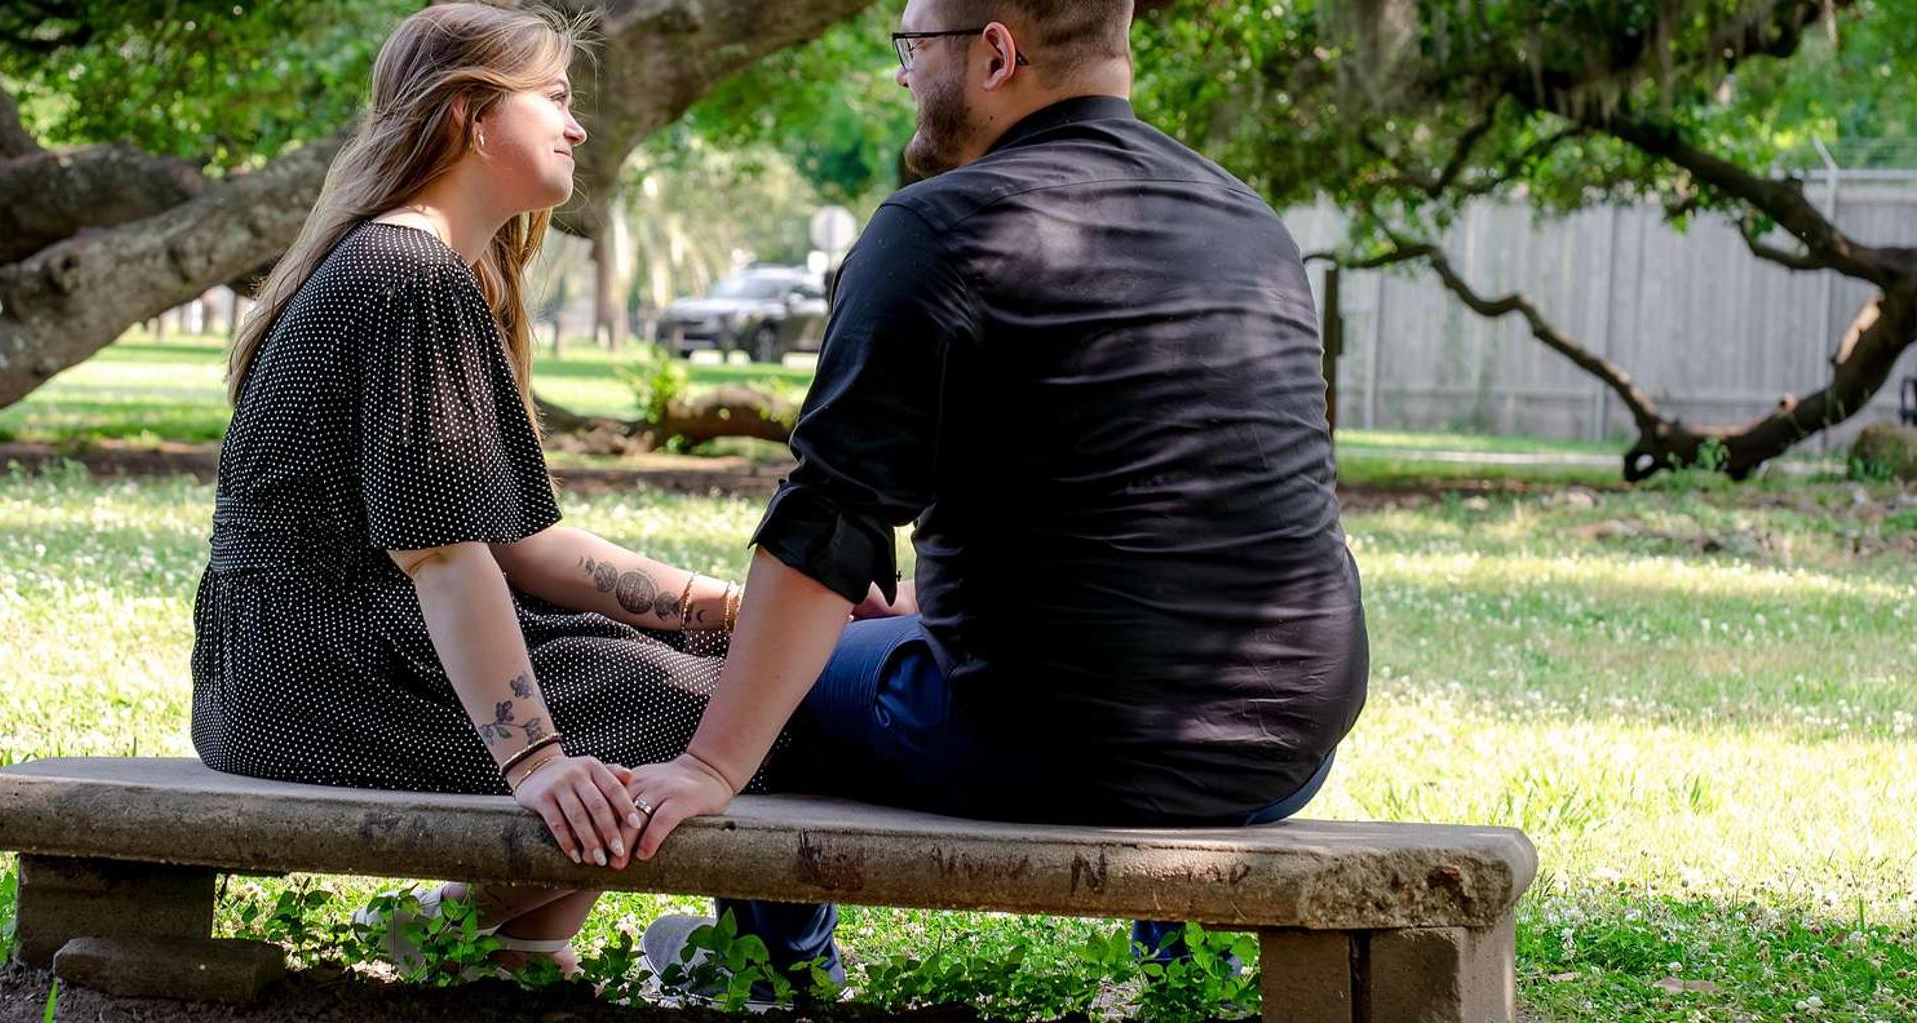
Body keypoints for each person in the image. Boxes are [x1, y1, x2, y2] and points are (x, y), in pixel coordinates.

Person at [624, 0, 1369, 995]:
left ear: (995, 54)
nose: (902, 75)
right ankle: (1180, 975)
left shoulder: (939, 226)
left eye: (912, 47)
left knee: (769, 671)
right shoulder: (1250, 221)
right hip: (1286, 746)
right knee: (909, 644)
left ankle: (773, 975)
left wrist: (710, 767)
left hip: (1046, 745)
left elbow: (828, 520)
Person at [191, 2, 748, 974]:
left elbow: (522, 546)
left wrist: (731, 609)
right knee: (726, 713)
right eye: (555, 99)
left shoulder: (408, 262)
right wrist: (534, 760)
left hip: (278, 670)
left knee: (706, 666)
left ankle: (521, 949)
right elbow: (445, 556)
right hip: (327, 673)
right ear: (471, 117)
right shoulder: (409, 277)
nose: (577, 128)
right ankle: (436, 928)